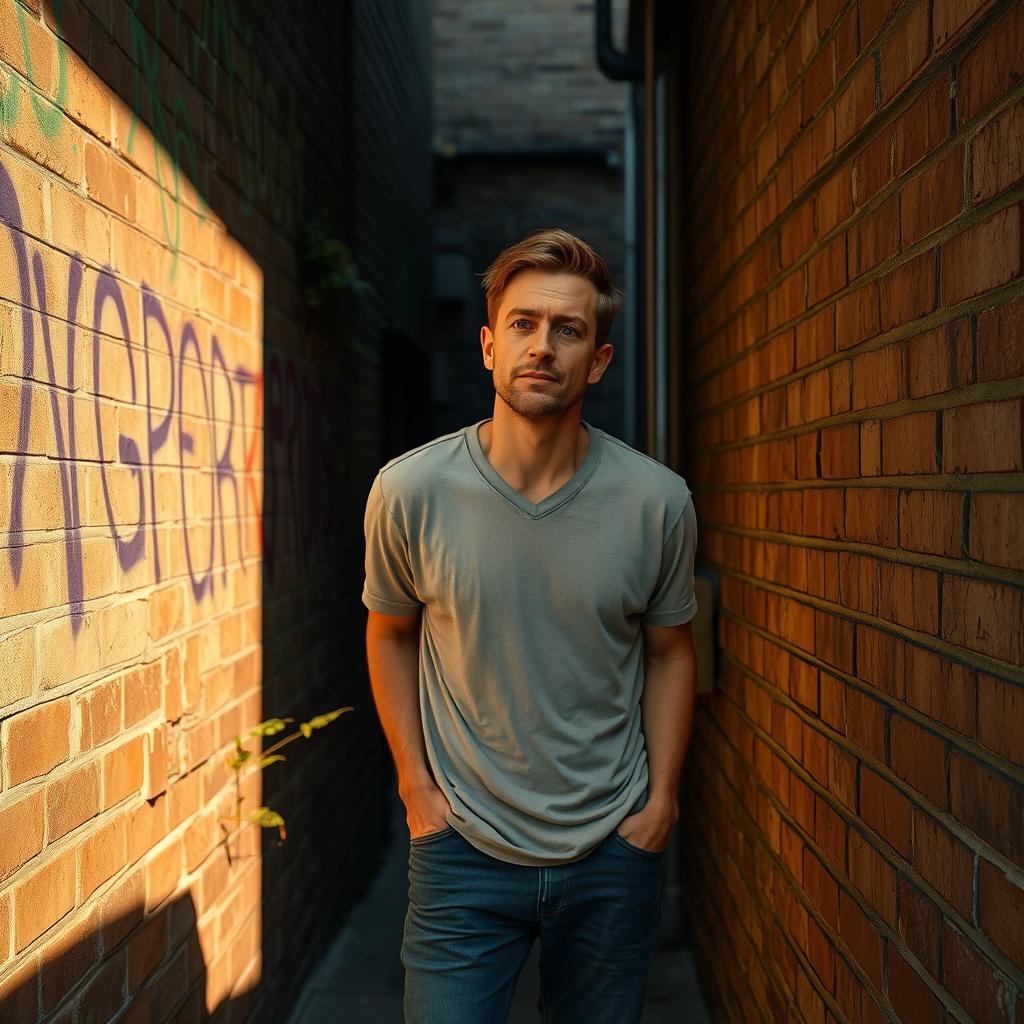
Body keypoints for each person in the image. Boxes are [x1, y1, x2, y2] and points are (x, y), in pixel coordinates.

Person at [362, 228, 699, 1023]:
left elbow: (671, 653)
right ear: (487, 345)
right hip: (460, 854)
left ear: (599, 360)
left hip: (613, 850)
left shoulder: (656, 502)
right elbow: (390, 633)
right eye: (522, 324)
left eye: (568, 329)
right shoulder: (410, 491)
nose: (542, 346)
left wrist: (660, 807)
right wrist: (416, 788)